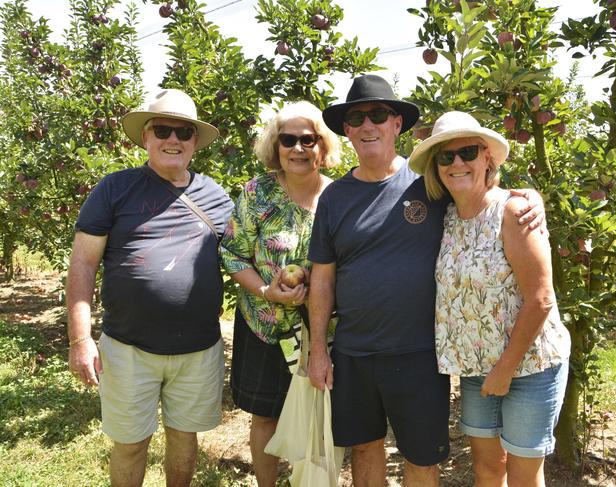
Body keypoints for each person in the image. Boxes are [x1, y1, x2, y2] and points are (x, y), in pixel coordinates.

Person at [307, 74, 546, 487]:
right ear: (346, 130)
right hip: (354, 352)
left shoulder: (430, 184)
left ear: (396, 124)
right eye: (357, 118)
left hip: (419, 354)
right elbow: (323, 280)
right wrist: (317, 349)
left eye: (378, 115)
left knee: (420, 458)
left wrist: (527, 196)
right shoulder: (334, 197)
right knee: (364, 448)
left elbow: (482, 191)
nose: (368, 125)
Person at [66, 88, 234, 487]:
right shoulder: (114, 189)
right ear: (145, 137)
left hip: (198, 348)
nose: (172, 139)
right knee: (129, 443)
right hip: (128, 349)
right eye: (162, 129)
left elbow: (245, 257)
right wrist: (80, 339)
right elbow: (83, 263)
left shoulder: (217, 197)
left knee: (184, 437)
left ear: (195, 142)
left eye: (183, 132)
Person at [409, 111, 571, 487]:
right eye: (446, 157)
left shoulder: (514, 212)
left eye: (466, 152)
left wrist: (504, 370)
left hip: (530, 366)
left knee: (523, 474)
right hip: (475, 366)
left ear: (487, 158)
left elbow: (541, 298)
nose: (457, 163)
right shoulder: (444, 216)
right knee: (487, 468)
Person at [220, 101, 341, 487]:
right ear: (276, 146)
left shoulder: (340, 197)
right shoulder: (258, 193)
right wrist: (266, 290)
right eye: (288, 139)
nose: (298, 149)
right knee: (266, 415)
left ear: (322, 147)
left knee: (319, 415)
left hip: (321, 332)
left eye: (309, 139)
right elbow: (231, 251)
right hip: (265, 327)